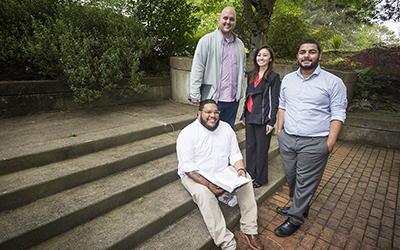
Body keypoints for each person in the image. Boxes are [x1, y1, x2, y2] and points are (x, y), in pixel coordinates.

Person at [274, 39, 347, 237]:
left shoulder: (333, 82)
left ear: (319, 56)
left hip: (315, 142)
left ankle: (295, 218)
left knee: (306, 181)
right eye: (302, 52)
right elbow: (282, 105)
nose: (306, 55)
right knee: (292, 177)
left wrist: (329, 144)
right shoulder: (288, 79)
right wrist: (279, 132)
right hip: (287, 139)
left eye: (311, 52)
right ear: (297, 56)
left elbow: (338, 114)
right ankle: (299, 206)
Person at [177, 99, 264, 250]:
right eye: (208, 112)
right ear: (199, 113)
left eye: (216, 112)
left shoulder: (226, 128)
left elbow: (235, 155)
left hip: (221, 171)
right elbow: (188, 168)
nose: (213, 116)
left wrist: (241, 170)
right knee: (204, 195)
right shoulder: (188, 133)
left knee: (246, 179)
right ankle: (226, 242)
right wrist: (209, 184)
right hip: (195, 175)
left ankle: (249, 230)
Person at [188, 6, 246, 128]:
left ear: (235, 22)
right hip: (212, 99)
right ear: (219, 19)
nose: (228, 22)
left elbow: (242, 69)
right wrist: (194, 93)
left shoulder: (240, 44)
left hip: (233, 101)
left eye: (231, 19)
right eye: (225, 18)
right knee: (207, 134)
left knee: (226, 134)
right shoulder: (206, 41)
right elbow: (198, 67)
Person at [240, 45, 280, 189]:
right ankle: (250, 175)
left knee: (261, 150)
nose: (261, 58)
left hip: (263, 119)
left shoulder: (273, 77)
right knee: (250, 147)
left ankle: (260, 178)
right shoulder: (251, 74)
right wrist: (244, 114)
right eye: (259, 55)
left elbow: (274, 99)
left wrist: (271, 120)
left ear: (270, 59)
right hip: (250, 116)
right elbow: (248, 96)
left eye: (265, 55)